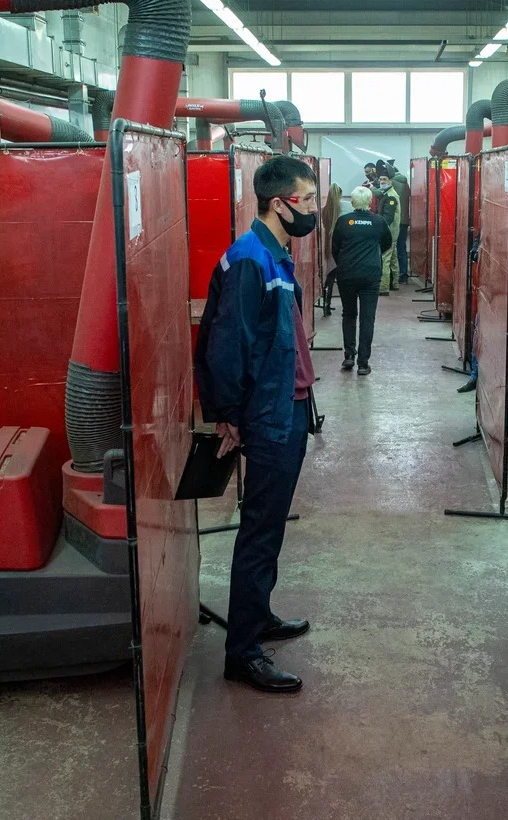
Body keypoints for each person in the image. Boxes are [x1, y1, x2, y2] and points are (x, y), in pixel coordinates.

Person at [193, 155, 320, 694]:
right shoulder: (251, 261)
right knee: (259, 530)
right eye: (307, 201)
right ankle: (242, 653)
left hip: (286, 407)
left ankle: (257, 615)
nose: (313, 210)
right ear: (279, 203)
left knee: (268, 528)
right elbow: (226, 346)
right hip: (268, 415)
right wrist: (227, 416)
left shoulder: (273, 256)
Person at [331, 186, 392, 376]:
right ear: (370, 202)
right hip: (370, 275)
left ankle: (349, 355)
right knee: (367, 318)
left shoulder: (343, 221)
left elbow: (335, 248)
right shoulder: (378, 222)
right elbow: (387, 243)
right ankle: (363, 363)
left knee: (348, 314)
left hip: (346, 274)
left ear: (353, 202)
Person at [376, 169, 402, 292]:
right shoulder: (389, 193)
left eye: (384, 180)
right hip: (393, 232)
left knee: (385, 259)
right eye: (380, 179)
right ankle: (395, 283)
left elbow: (388, 218)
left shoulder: (391, 196)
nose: (382, 182)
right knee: (393, 258)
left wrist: (381, 231)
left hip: (389, 232)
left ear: (390, 181)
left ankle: (384, 287)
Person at [319, 182, 343, 317]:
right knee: (342, 276)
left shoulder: (324, 210)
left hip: (328, 244)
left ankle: (326, 304)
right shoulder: (343, 209)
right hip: (340, 246)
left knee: (330, 275)